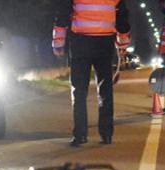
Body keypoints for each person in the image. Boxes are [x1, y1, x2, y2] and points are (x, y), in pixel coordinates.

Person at [53, 0, 131, 146]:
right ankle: (106, 134)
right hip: (105, 43)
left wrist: (58, 42)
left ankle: (80, 135)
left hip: (80, 44)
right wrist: (122, 44)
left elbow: (63, 13)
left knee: (79, 91)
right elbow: (122, 18)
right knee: (105, 91)